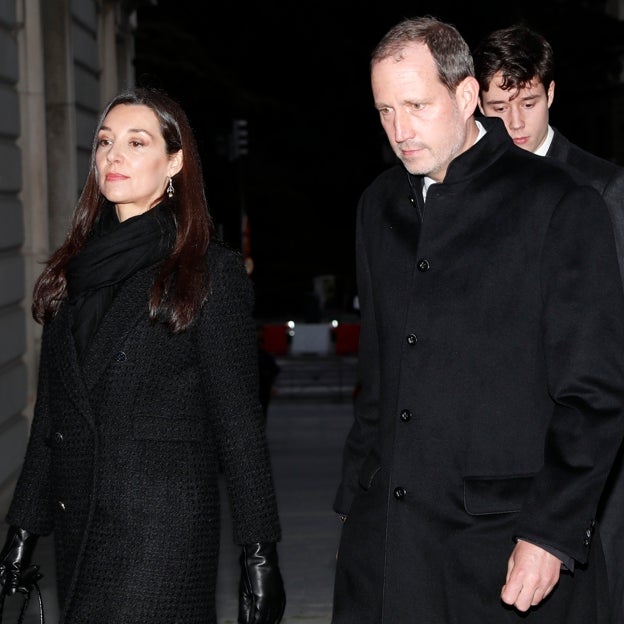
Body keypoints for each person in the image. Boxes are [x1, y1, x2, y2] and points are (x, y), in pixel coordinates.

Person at [331, 15, 624, 624]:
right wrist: (353, 500)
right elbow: (379, 372)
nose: (400, 130)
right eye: (384, 111)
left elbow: (594, 394)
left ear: (466, 97)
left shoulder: (560, 203)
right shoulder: (378, 204)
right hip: (387, 543)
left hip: (504, 546)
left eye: (415, 105)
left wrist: (550, 533)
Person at [0, 87, 286, 624]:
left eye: (137, 142)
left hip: (163, 534)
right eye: (106, 142)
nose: (114, 156)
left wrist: (260, 551)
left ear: (174, 161)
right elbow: (53, 421)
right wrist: (22, 530)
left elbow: (239, 423)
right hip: (80, 523)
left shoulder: (207, 272)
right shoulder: (76, 270)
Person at [473, 25, 624, 622]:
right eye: (498, 107)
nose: (515, 122)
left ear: (552, 94)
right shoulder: (460, 191)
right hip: (495, 457)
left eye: (528, 103)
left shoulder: (604, 189)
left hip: (590, 444)